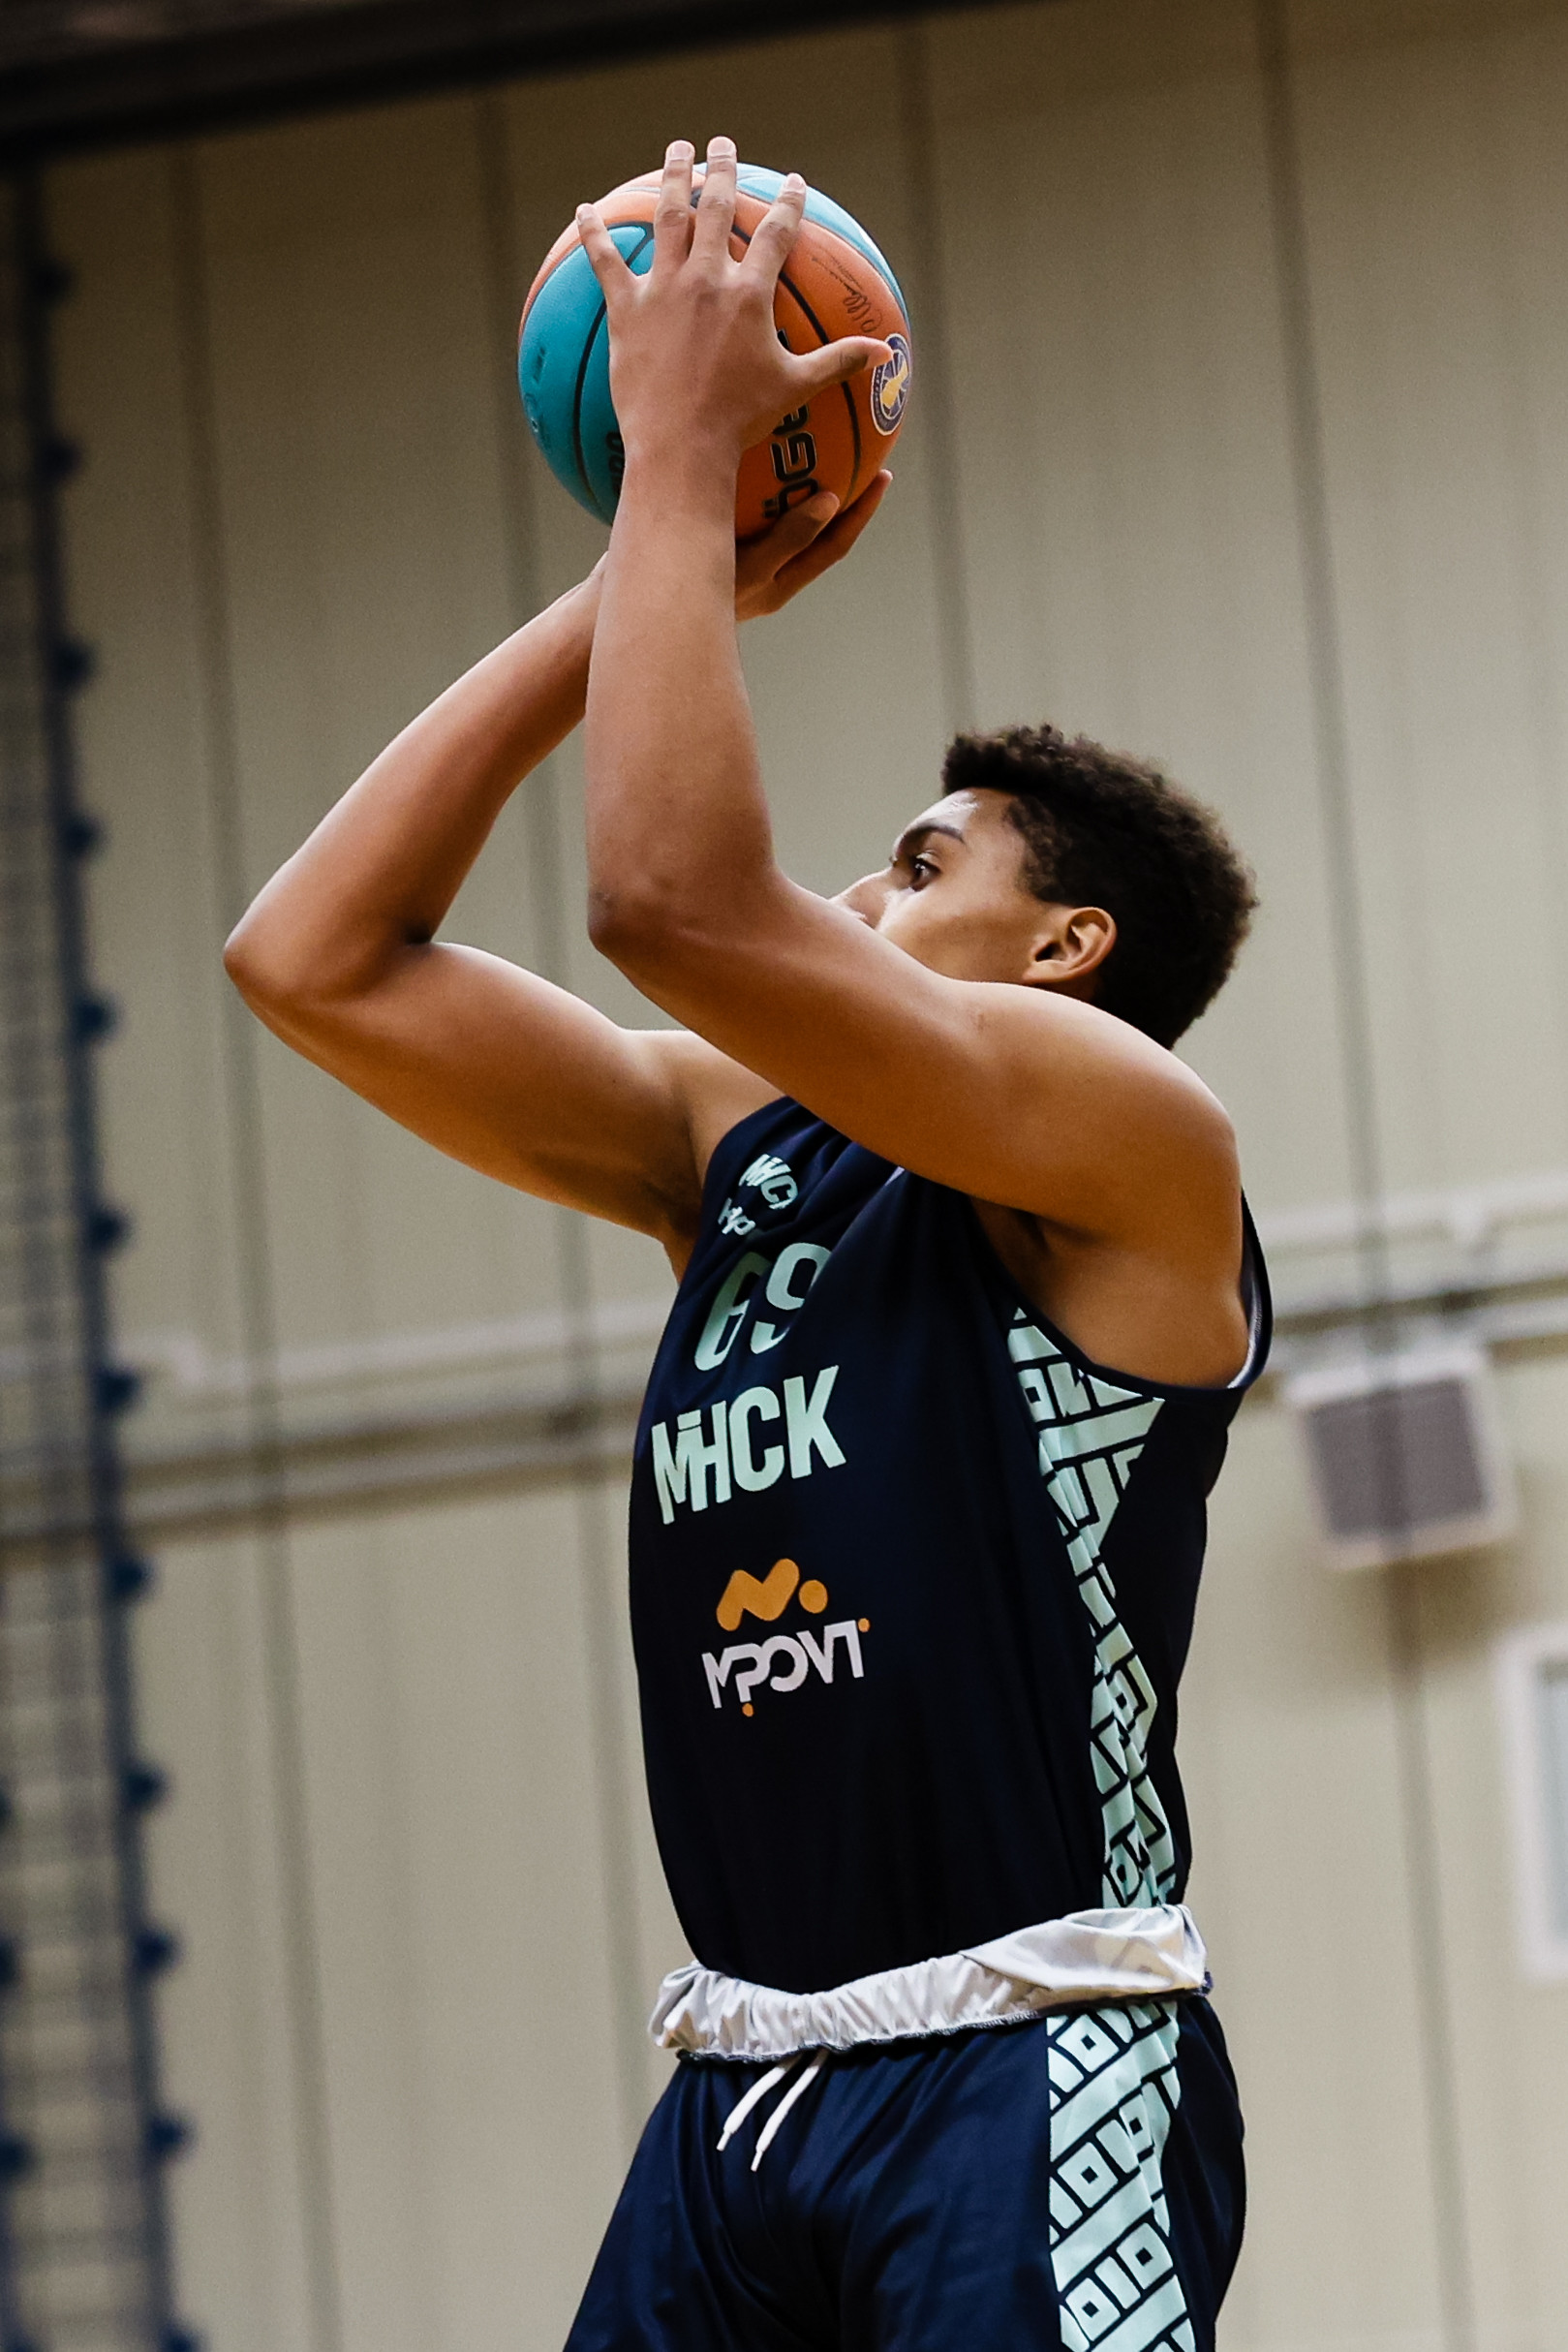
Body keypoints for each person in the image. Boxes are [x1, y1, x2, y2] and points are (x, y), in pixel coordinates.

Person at [226, 136, 1268, 2352]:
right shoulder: (744, 1144)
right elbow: (312, 956)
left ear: (1067, 947)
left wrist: (688, 476)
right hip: (739, 2082)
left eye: (925, 858)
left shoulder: (1127, 1135)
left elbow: (672, 901)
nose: (868, 889)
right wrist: (638, 572)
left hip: (1032, 2052)